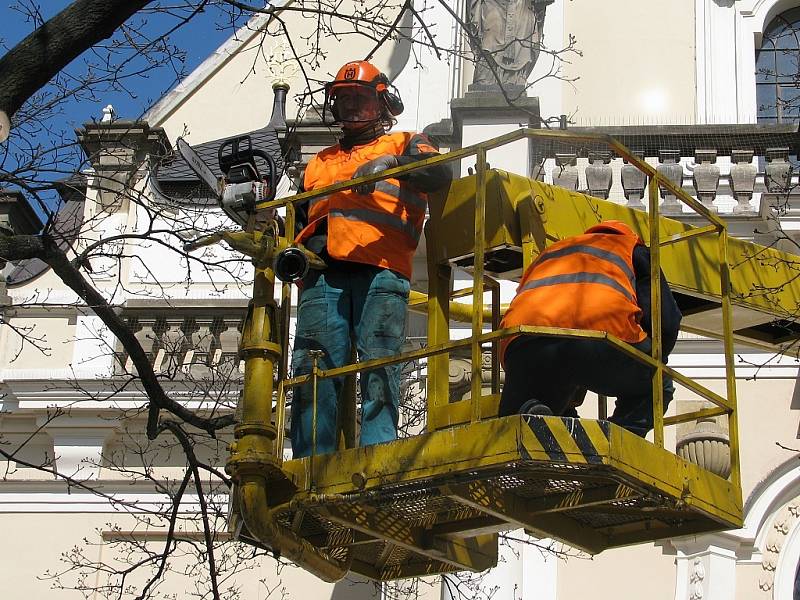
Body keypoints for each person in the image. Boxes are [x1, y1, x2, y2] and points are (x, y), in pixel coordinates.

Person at [290, 60, 451, 458]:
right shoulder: (319, 162)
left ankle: (377, 455)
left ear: (383, 103)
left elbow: (439, 174)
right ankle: (312, 463)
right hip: (322, 273)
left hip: (380, 266)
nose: (350, 107)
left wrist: (395, 165)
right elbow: (298, 216)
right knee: (314, 370)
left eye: (359, 98)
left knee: (381, 365)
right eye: (343, 99)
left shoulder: (405, 142)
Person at [498, 220, 682, 438]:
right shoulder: (632, 248)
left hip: (520, 346)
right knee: (659, 383)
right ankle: (618, 439)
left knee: (518, 421)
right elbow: (666, 322)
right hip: (594, 339)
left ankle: (534, 414)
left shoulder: (553, 251)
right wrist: (656, 358)